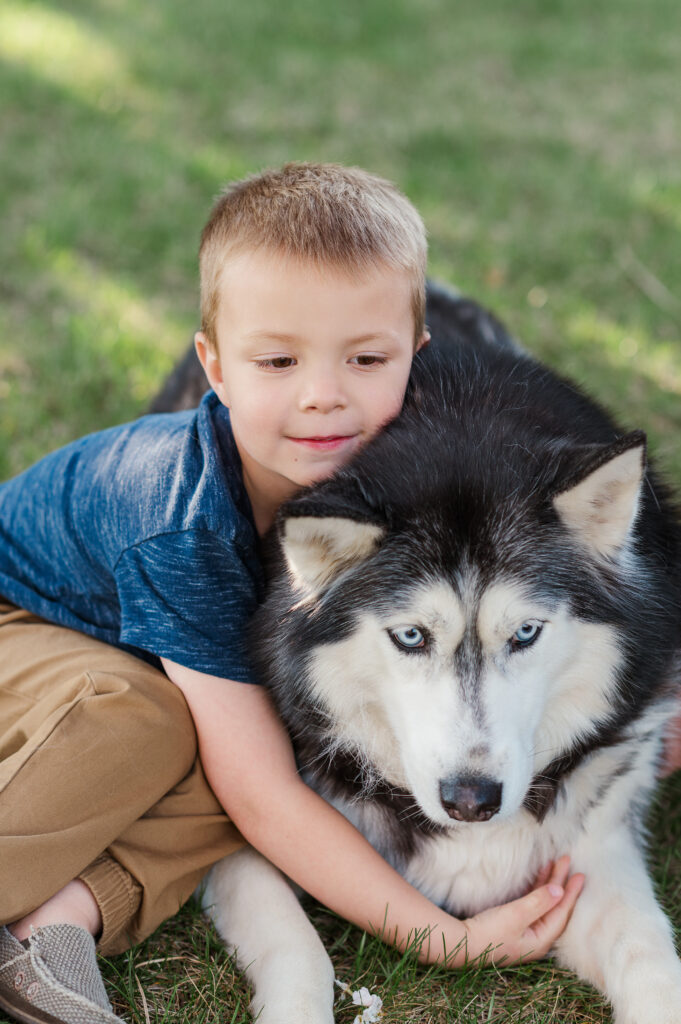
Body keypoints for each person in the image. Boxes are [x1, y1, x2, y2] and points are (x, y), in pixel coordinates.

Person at [0, 163, 583, 1024]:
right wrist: (439, 937)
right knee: (148, 723)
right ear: (214, 366)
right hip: (25, 622)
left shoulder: (414, 485)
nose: (322, 395)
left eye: (366, 358)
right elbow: (258, 798)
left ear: (414, 363)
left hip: (152, 659)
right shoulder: (181, 512)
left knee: (258, 755)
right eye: (276, 360)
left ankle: (55, 926)